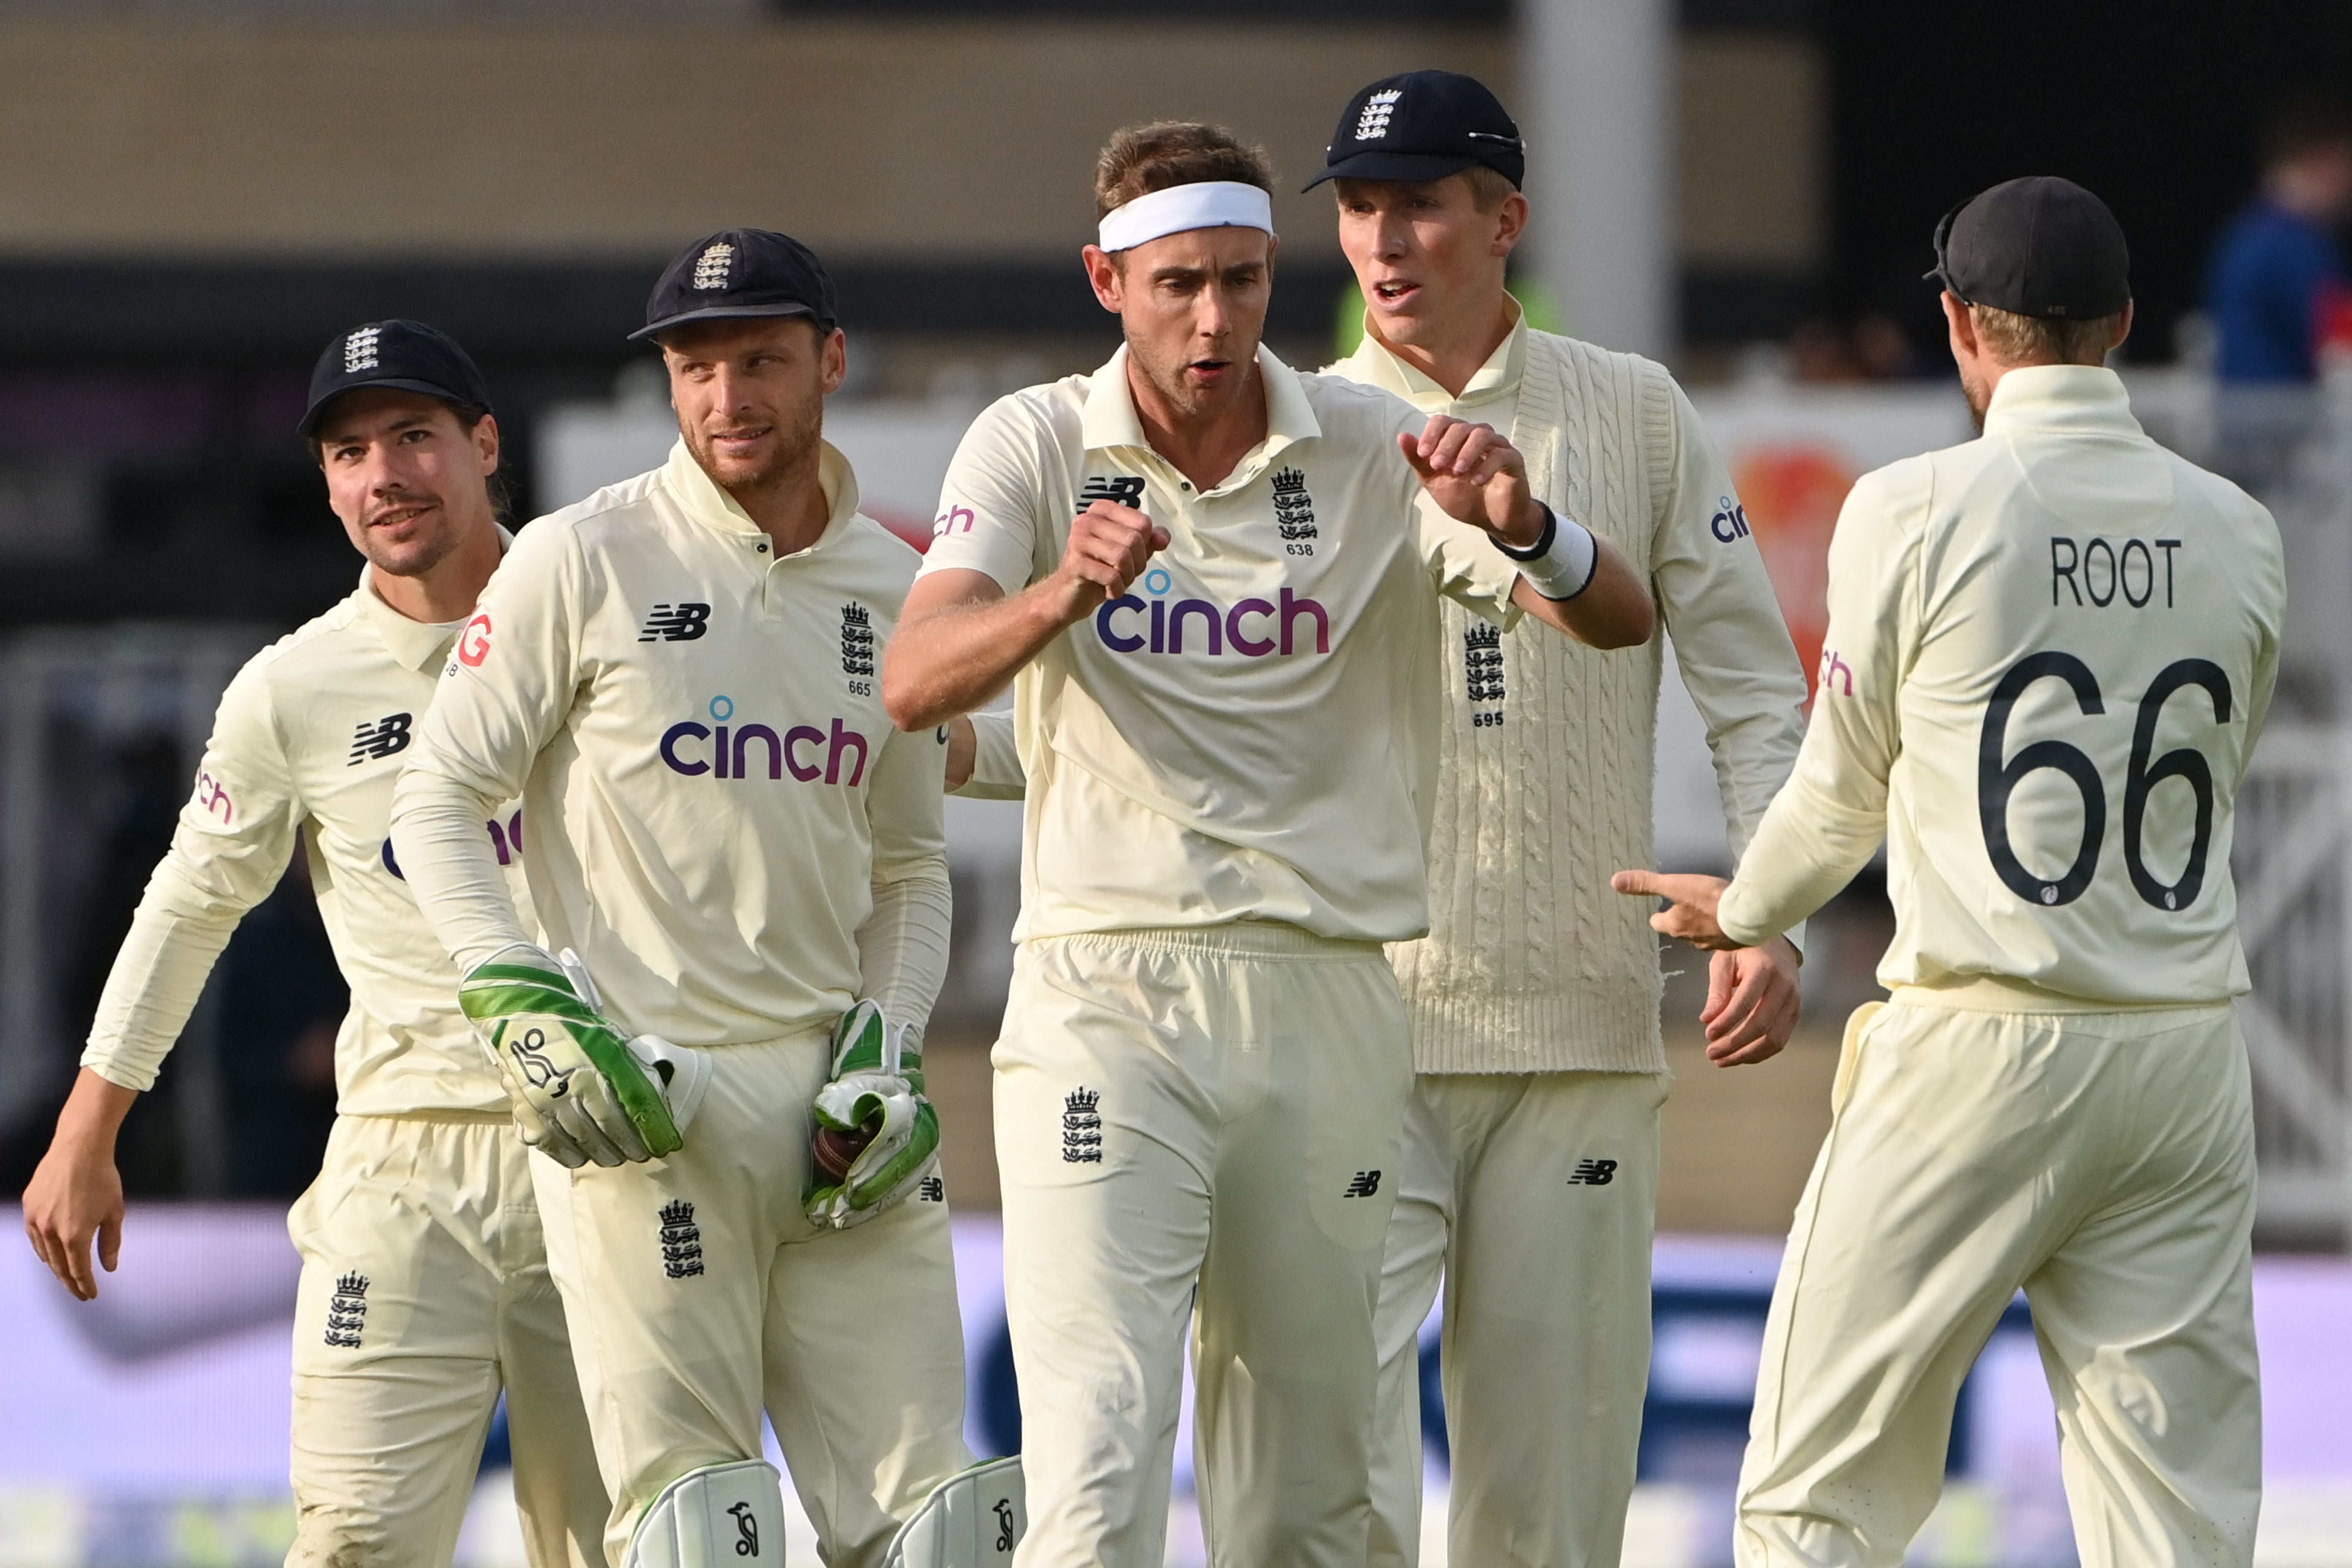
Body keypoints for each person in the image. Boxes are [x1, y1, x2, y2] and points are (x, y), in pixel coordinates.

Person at [886, 121, 1655, 1568]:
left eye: (1241, 281)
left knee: (1304, 1499)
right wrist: (1062, 590)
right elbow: (915, 683)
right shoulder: (1038, 437)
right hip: (1106, 996)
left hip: (1329, 1001)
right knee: (1100, 1463)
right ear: (1104, 279)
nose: (1213, 319)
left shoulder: (1365, 442)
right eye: (1177, 282)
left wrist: (1527, 522)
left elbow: (1610, 621)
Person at [1619, 176, 2281, 1567]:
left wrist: (1740, 909)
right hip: (2177, 1052)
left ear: (1954, 326)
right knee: (2178, 1524)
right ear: (2117, 323)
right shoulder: (2236, 528)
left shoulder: (1913, 505)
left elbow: (1837, 788)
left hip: (1978, 1044)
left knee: (1814, 1496)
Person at [389, 231, 971, 1568]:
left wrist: (887, 1034)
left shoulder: (896, 588)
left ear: (828, 361)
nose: (726, 397)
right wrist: (514, 993)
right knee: (698, 1531)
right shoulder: (579, 556)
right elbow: (436, 802)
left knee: (940, 1529)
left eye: (760, 359)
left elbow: (906, 865)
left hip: (843, 1122)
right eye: (695, 367)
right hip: (650, 1101)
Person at [1299, 69, 1809, 1568]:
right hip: (1343, 1025)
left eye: (1421, 205)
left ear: (1503, 219)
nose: (1383, 243)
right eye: (1357, 208)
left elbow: (1748, 686)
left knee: (1551, 1508)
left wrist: (1769, 911)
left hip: (1575, 1025)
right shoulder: (1294, 430)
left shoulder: (1629, 407)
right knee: (1315, 1481)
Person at [20, 321, 610, 1568]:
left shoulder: (610, 635)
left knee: (620, 1548)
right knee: (351, 1544)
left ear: (484, 444)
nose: (381, 475)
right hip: (400, 1175)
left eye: (412, 437)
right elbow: (191, 903)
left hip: (611, 1150)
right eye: (348, 451)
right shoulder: (294, 686)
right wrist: (89, 1126)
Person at [2206, 92, 2352, 387]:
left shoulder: (2243, 233)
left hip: (2247, 421)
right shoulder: (2292, 245)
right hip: (2285, 427)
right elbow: (2340, 346)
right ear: (2326, 159)